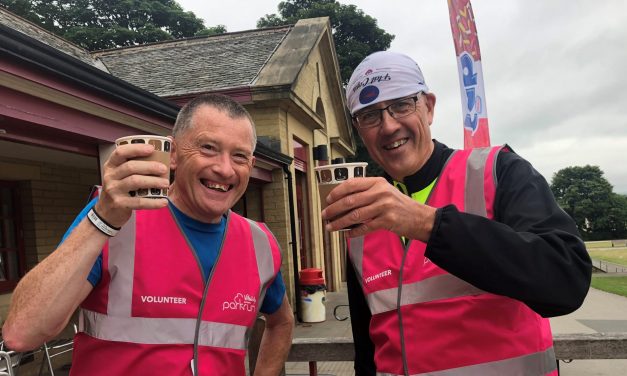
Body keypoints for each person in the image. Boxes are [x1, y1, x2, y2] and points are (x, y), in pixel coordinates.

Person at [321, 51, 591, 376]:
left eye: (401, 105)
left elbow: (567, 282)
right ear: (358, 129)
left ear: (429, 107)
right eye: (370, 116)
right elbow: (368, 352)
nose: (389, 125)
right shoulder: (362, 219)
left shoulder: (498, 171)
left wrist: (427, 224)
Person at [2, 94, 294, 375]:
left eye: (239, 156)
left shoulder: (260, 243)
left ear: (251, 166)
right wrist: (102, 219)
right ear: (174, 154)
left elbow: (281, 322)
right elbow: (21, 334)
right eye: (208, 148)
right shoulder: (113, 215)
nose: (224, 168)